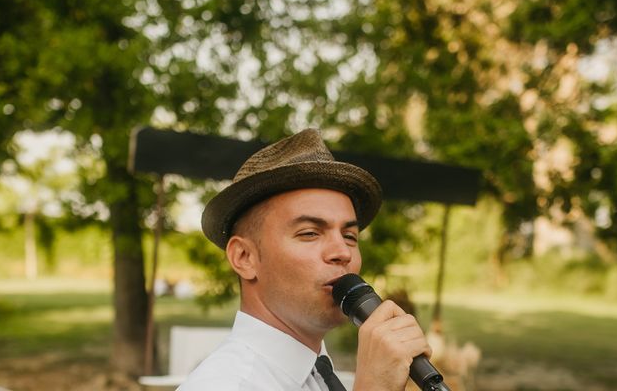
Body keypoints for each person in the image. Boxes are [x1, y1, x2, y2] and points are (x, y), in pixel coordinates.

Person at [177, 129, 432, 391]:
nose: (342, 252)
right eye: (310, 233)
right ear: (244, 257)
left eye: (350, 236)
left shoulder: (322, 377)